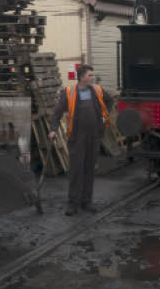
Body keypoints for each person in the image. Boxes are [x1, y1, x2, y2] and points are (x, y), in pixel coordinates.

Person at [49, 64, 114, 215]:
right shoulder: (69, 92)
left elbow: (110, 101)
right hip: (77, 136)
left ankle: (87, 201)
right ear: (83, 77)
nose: (93, 77)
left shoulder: (97, 89)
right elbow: (57, 112)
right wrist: (53, 130)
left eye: (92, 75)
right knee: (76, 170)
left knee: (89, 169)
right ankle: (73, 203)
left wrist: (105, 117)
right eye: (90, 75)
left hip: (94, 135)